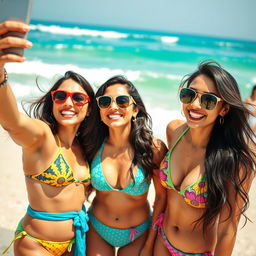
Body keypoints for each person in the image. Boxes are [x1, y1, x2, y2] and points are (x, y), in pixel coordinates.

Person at [0, 20, 95, 256]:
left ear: (89, 108)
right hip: (35, 244)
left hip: (74, 244)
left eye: (78, 98)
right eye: (60, 96)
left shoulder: (86, 147)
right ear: (52, 101)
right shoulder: (43, 137)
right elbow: (13, 121)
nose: (68, 103)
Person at [154, 61, 256, 256]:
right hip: (162, 241)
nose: (194, 105)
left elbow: (228, 229)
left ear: (224, 109)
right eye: (189, 94)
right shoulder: (174, 131)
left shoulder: (234, 160)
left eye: (208, 100)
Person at [84, 75, 167, 256]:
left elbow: (162, 199)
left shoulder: (153, 149)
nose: (113, 107)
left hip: (138, 233)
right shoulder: (92, 146)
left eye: (122, 101)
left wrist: (149, 245)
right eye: (105, 102)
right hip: (97, 228)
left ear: (135, 109)